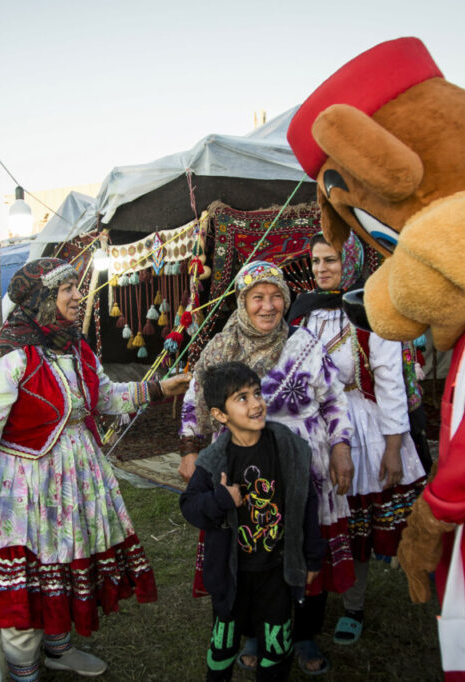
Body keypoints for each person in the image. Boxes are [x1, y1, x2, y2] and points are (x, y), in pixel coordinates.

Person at [0, 258, 190, 682]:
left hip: (75, 481)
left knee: (64, 564)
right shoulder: (11, 357)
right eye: (67, 289)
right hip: (24, 484)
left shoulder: (74, 347)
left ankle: (59, 649)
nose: (78, 296)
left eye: (75, 288)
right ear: (42, 299)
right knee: (26, 580)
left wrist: (158, 388)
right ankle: (24, 670)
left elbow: (105, 399)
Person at [178, 260, 353, 675]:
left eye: (276, 296)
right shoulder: (221, 348)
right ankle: (254, 633)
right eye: (258, 297)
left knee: (304, 545)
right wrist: (189, 448)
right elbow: (195, 398)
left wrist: (342, 446)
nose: (268, 306)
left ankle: (304, 634)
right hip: (240, 463)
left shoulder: (305, 344)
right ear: (242, 301)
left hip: (300, 463)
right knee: (249, 550)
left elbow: (333, 399)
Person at [287, 232, 427, 646]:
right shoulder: (303, 313)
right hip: (313, 429)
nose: (321, 269)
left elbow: (389, 385)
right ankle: (314, 595)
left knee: (355, 524)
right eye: (315, 261)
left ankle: (354, 604)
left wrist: (394, 447)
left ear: (349, 261)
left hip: (360, 426)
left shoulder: (369, 310)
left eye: (330, 260)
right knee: (318, 520)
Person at [180, 361, 325, 681]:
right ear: (220, 415)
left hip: (276, 570)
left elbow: (306, 501)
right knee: (224, 642)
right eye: (242, 398)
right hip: (232, 575)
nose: (257, 403)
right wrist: (220, 499)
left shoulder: (285, 448)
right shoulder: (213, 460)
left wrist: (313, 555)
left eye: (257, 393)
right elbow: (189, 506)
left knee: (277, 643)